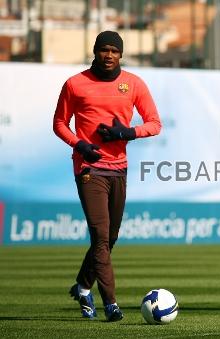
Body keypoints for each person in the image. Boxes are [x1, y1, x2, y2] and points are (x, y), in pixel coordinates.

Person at [53, 31, 162, 321]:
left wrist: (127, 133)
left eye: (114, 50)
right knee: (100, 235)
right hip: (88, 168)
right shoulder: (75, 84)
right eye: (104, 50)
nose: (109, 55)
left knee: (110, 237)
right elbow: (60, 123)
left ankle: (82, 286)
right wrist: (80, 144)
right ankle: (111, 303)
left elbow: (154, 123)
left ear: (121, 54)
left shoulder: (134, 84)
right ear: (95, 51)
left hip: (119, 167)